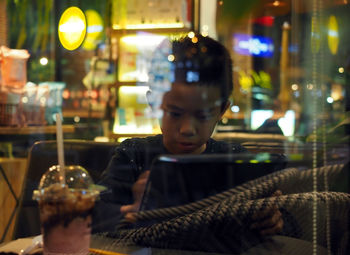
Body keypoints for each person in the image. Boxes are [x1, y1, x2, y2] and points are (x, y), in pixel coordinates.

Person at [93, 33, 283, 240]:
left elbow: (293, 226)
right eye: (175, 114)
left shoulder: (235, 161)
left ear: (221, 110)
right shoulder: (134, 155)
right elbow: (97, 218)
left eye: (202, 115)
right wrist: (130, 211)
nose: (187, 129)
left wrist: (273, 218)